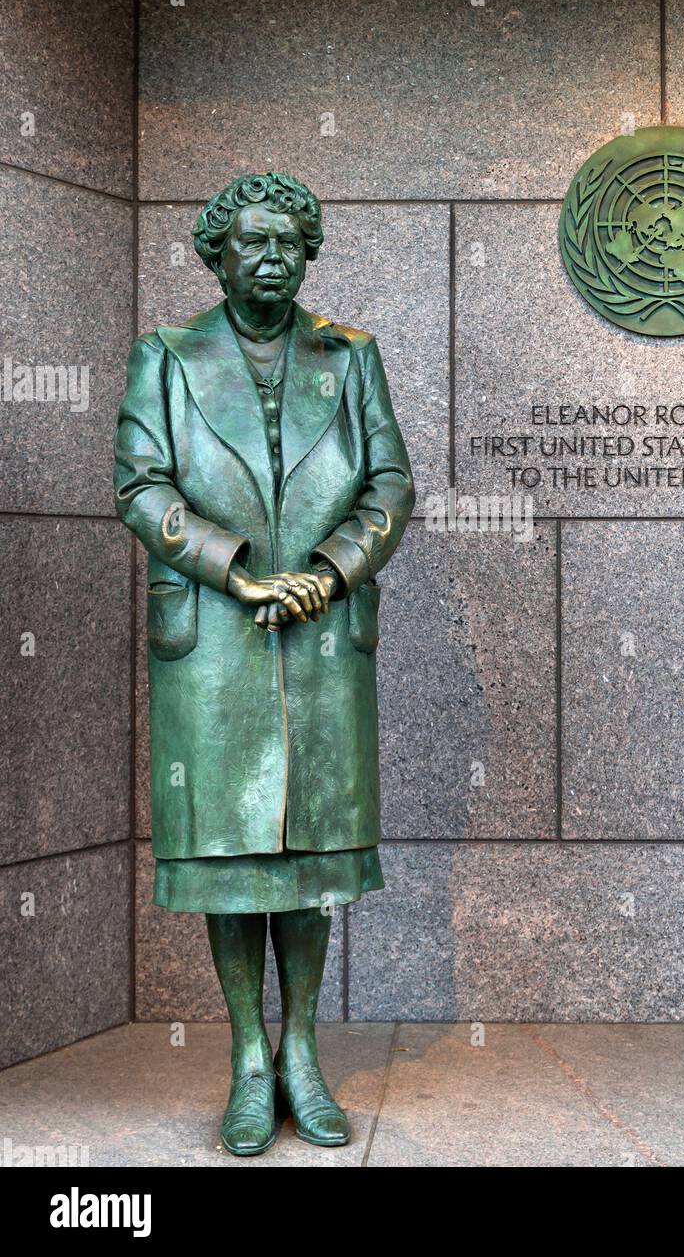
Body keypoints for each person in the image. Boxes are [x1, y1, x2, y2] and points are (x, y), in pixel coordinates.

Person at [114, 171, 415, 1155]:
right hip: (215, 635)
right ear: (218, 254)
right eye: (254, 242)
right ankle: (248, 1055)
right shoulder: (166, 357)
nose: (275, 255)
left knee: (312, 850)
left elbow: (389, 482)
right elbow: (140, 485)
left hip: (324, 633)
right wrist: (236, 572)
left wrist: (328, 573)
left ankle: (302, 1051)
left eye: (291, 240)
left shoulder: (351, 354)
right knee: (234, 854)